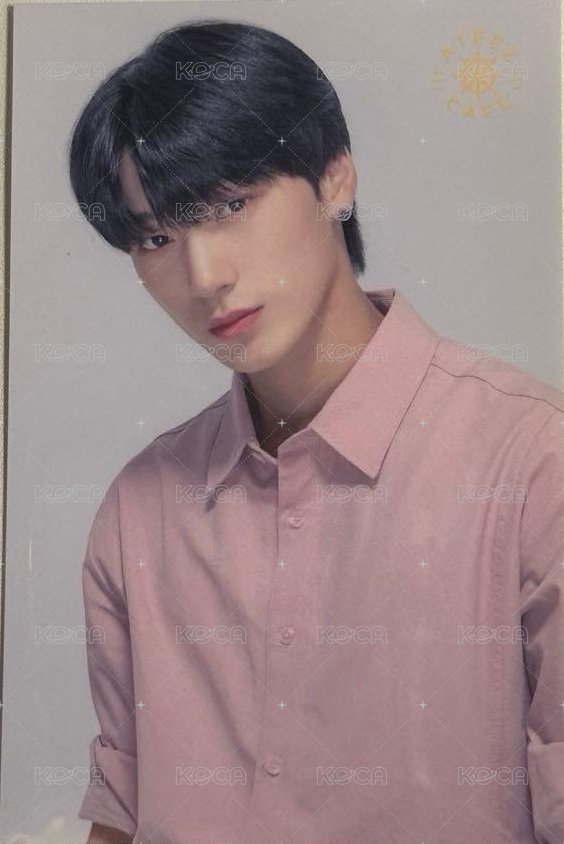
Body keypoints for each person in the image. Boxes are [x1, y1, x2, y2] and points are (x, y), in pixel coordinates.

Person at [68, 19, 564, 844]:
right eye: (156, 237)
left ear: (335, 178)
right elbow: (119, 816)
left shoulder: (534, 466)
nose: (204, 275)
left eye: (231, 205)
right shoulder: (138, 512)